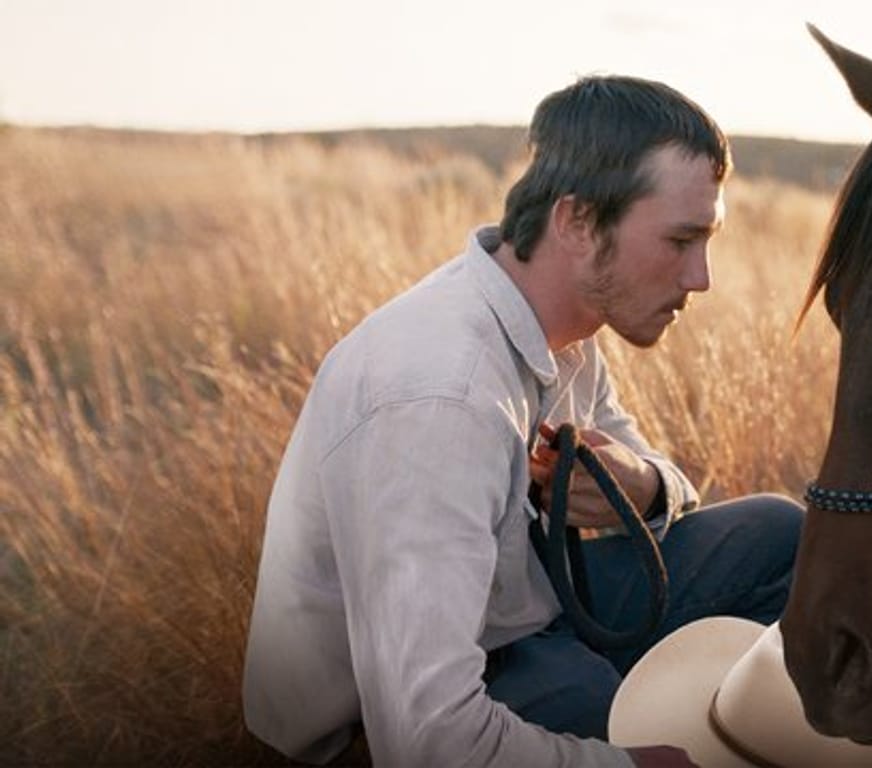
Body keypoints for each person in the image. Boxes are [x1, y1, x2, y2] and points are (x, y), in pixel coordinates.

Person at [242, 75, 804, 767]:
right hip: (417, 694)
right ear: (576, 222)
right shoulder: (438, 399)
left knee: (782, 535)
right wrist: (633, 767)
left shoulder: (565, 325)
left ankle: (722, 721)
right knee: (611, 722)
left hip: (528, 604)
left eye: (707, 241)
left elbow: (654, 474)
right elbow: (426, 740)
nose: (701, 278)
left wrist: (644, 486)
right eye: (680, 240)